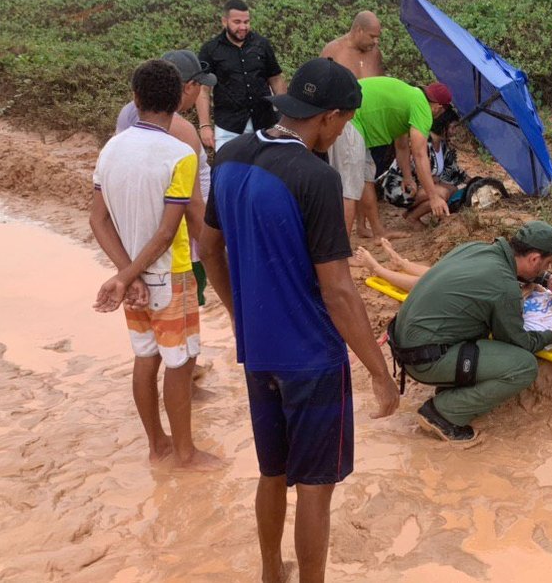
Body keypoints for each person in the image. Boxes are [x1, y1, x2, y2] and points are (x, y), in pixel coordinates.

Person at [199, 57, 400, 583]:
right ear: (329, 117)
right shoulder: (316, 178)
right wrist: (379, 374)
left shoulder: (231, 155)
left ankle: (272, 573)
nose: (344, 131)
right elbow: (338, 289)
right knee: (315, 487)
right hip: (310, 357)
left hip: (258, 349)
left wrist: (239, 312)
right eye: (346, 122)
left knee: (273, 471)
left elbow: (209, 248)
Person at [89, 59, 220, 471]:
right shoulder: (179, 155)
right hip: (170, 274)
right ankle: (185, 453)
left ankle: (156, 445)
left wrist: (126, 274)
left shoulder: (112, 147)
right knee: (180, 364)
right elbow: (171, 231)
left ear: (136, 98)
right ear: (185, 96)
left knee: (145, 358)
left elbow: (98, 219)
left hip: (134, 279)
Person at [390, 221, 552, 445]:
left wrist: (545, 278)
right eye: (546, 265)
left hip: (406, 345)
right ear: (534, 258)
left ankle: (452, 386)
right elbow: (519, 342)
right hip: (424, 359)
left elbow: (509, 274)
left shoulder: (476, 248)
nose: (545, 270)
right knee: (523, 366)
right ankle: (443, 413)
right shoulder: (504, 287)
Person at [117, 49, 216, 305]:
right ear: (188, 87)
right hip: (180, 240)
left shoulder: (128, 114)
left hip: (142, 233)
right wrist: (213, 252)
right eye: (199, 87)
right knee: (182, 316)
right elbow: (193, 206)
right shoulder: (182, 133)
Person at [356, 239, 552, 332]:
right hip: (505, 288)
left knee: (431, 284)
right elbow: (528, 276)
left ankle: (379, 270)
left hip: (494, 296)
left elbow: (511, 319)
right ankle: (403, 263)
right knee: (447, 273)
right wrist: (548, 281)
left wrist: (526, 291)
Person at [349, 77, 455, 238]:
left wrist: (407, 177)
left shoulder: (410, 99)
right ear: (438, 108)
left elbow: (402, 146)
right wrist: (433, 197)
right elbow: (420, 155)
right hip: (350, 115)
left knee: (364, 177)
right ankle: (372, 235)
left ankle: (365, 228)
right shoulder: (423, 108)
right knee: (362, 180)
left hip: (354, 109)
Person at [196, 0, 286, 151]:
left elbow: (276, 80)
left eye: (246, 21)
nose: (243, 27)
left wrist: (285, 118)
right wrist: (205, 126)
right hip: (228, 127)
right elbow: (203, 90)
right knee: (228, 171)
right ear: (224, 22)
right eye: (237, 22)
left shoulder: (262, 45)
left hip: (264, 124)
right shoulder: (210, 49)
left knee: (264, 171)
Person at [378, 106, 468, 224]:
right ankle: (413, 218)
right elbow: (417, 169)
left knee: (452, 189)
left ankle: (412, 213)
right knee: (441, 192)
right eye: (452, 127)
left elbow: (455, 172)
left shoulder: (443, 146)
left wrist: (476, 181)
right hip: (399, 187)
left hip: (420, 188)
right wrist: (433, 180)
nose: (454, 132)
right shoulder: (422, 142)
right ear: (443, 125)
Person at [321, 11, 385, 79]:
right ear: (359, 30)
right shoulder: (332, 51)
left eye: (377, 37)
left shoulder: (375, 53)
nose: (376, 41)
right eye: (372, 36)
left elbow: (379, 84)